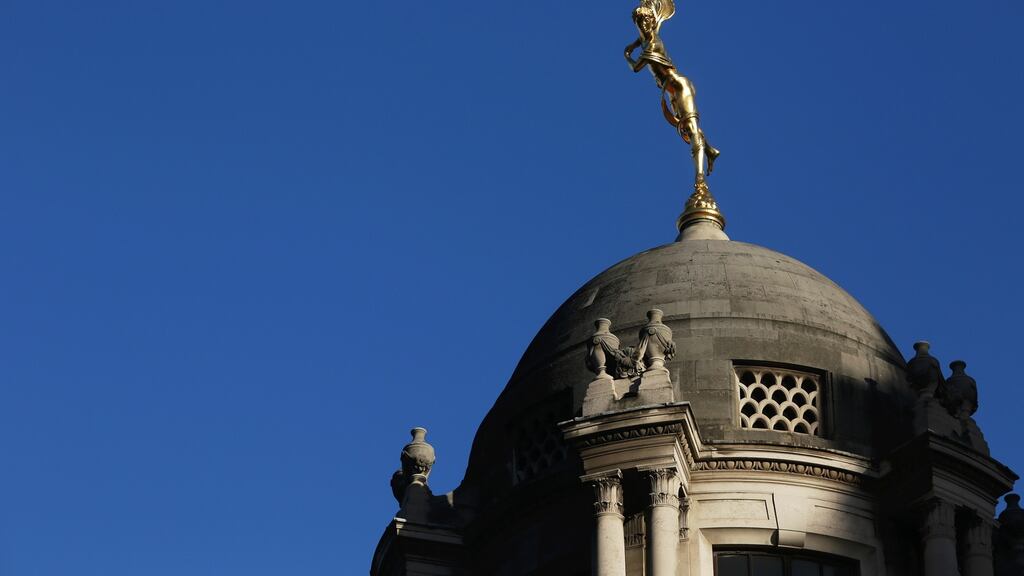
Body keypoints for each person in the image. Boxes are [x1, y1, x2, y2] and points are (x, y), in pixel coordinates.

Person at [625, 1, 719, 184]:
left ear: (651, 22)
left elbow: (636, 68)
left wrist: (627, 55)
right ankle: (710, 150)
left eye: (645, 21)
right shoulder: (646, 40)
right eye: (639, 21)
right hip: (670, 91)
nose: (642, 25)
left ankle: (699, 177)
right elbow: (641, 39)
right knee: (688, 128)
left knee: (691, 130)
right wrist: (633, 44)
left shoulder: (652, 44)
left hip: (679, 86)